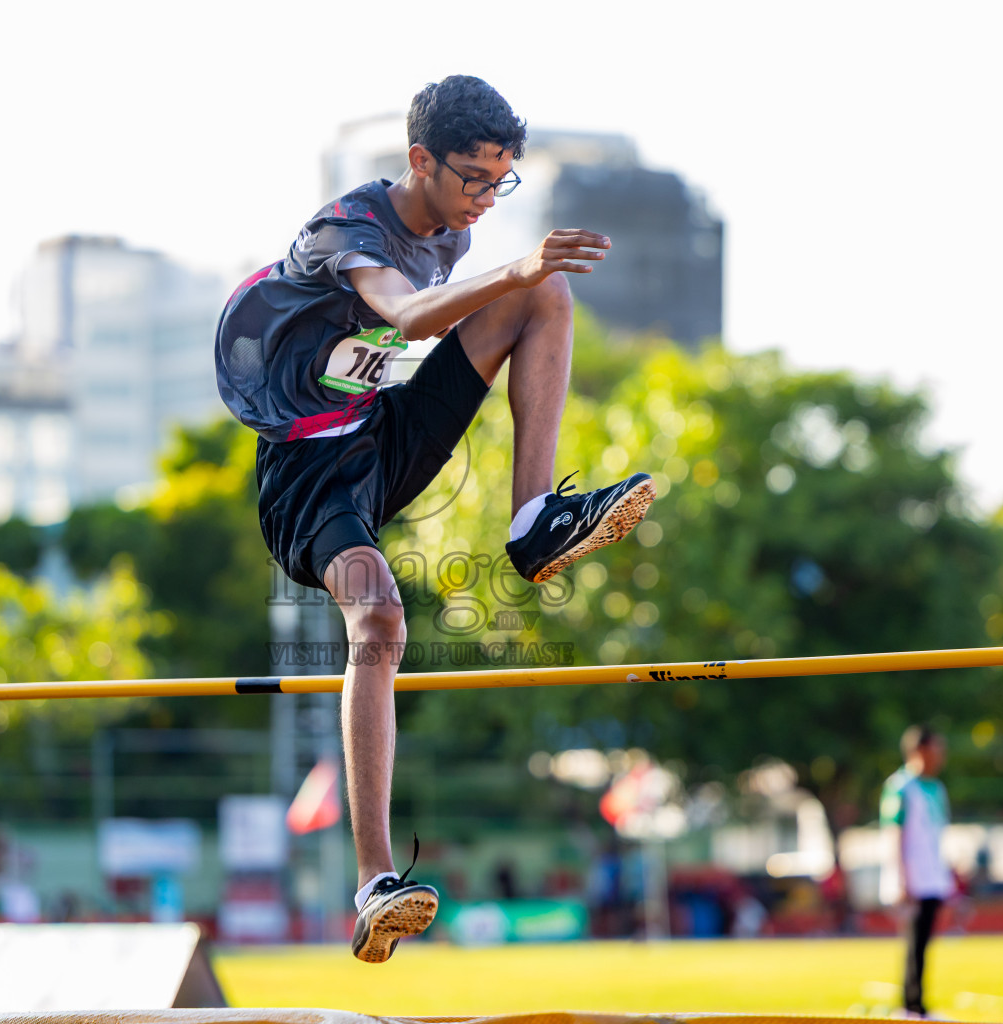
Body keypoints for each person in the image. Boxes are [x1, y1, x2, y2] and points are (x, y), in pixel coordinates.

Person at [215, 76, 655, 963]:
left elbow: (452, 314)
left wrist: (522, 274)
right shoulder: (348, 231)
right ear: (419, 161)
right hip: (308, 475)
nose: (486, 201)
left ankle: (533, 520)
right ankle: (377, 881)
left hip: (382, 431)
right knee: (378, 618)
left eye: (503, 182)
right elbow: (409, 312)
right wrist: (519, 263)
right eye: (472, 180)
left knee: (545, 298)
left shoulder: (457, 228)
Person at [880, 724, 953, 1018]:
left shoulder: (936, 788)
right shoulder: (900, 786)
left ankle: (918, 1003)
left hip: (933, 876)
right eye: (937, 748)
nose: (941, 755)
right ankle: (910, 1005)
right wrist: (900, 879)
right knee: (914, 943)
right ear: (920, 750)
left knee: (925, 943)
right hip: (912, 878)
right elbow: (893, 833)